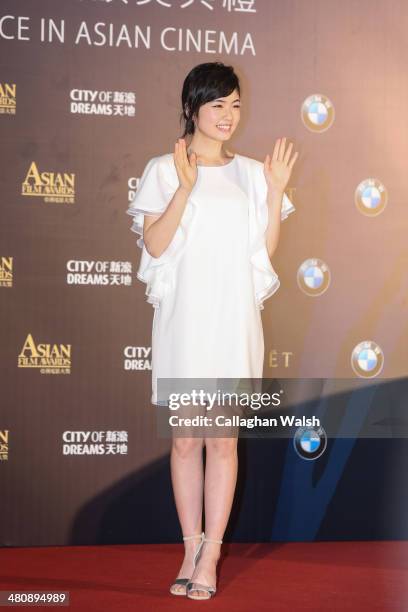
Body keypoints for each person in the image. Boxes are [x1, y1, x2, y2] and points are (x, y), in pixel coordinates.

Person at [126, 62, 299, 600]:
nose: (228, 116)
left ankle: (213, 555)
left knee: (222, 442)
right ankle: (188, 547)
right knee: (184, 442)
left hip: (232, 319)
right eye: (217, 105)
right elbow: (155, 246)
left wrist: (274, 193)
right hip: (185, 320)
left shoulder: (250, 172)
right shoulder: (163, 167)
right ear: (192, 108)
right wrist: (184, 188)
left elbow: (263, 254)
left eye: (236, 105)